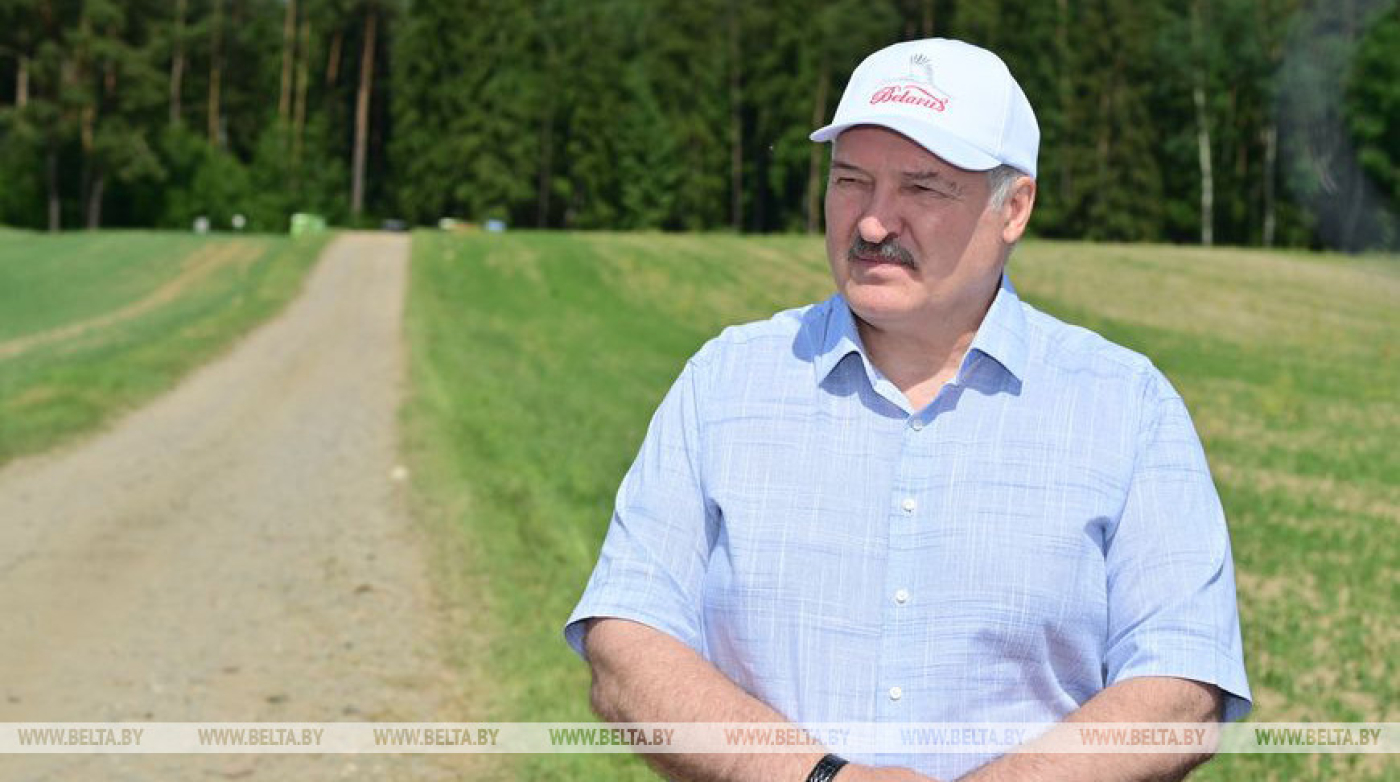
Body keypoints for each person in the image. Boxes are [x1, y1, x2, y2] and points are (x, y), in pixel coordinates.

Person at [563, 38, 1250, 782]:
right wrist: (822, 778)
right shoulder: (725, 381)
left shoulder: (1126, 405)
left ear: (1013, 207)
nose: (871, 224)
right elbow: (627, 643)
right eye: (851, 181)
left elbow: (1181, 686)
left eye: (921, 189)